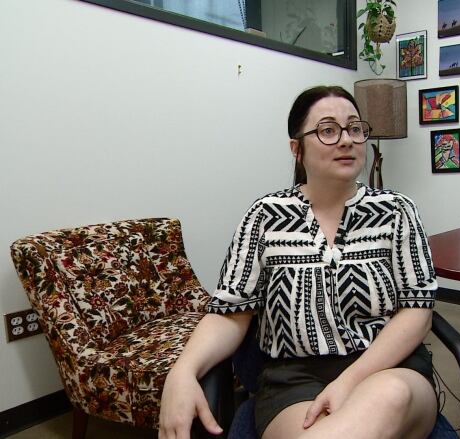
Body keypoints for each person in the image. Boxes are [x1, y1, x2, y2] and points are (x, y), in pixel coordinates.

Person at [159, 85, 439, 439]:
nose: (347, 140)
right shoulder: (265, 216)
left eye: (354, 128)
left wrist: (350, 380)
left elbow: (418, 310)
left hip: (390, 369)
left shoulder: (397, 211)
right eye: (327, 130)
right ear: (297, 149)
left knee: (389, 398)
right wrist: (182, 370)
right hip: (294, 382)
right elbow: (230, 312)